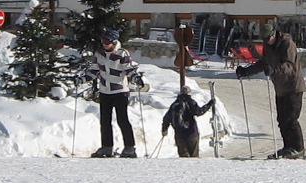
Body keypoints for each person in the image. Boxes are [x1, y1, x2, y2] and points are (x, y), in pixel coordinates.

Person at [235, 22, 306, 159]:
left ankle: (298, 148)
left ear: (274, 34)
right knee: (282, 119)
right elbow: (264, 63)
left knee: (291, 119)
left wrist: (274, 70)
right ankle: (288, 147)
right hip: (280, 87)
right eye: (264, 39)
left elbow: (289, 66)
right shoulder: (268, 46)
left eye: (268, 38)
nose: (267, 41)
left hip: (293, 86)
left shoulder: (287, 43)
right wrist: (246, 72)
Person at [84, 30, 145, 158]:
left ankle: (129, 147)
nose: (105, 44)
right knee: (105, 121)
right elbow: (94, 70)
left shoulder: (122, 53)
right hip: (105, 91)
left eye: (107, 42)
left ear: (114, 42)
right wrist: (83, 79)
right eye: (103, 41)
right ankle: (107, 147)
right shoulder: (99, 54)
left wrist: (136, 78)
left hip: (120, 92)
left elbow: (129, 69)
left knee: (122, 119)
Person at [160, 83, 214, 158]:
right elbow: (199, 112)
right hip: (192, 133)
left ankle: (185, 169)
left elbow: (166, 119)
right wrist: (209, 104)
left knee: (184, 158)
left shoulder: (174, 105)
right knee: (194, 158)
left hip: (179, 135)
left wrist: (164, 130)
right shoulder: (191, 102)